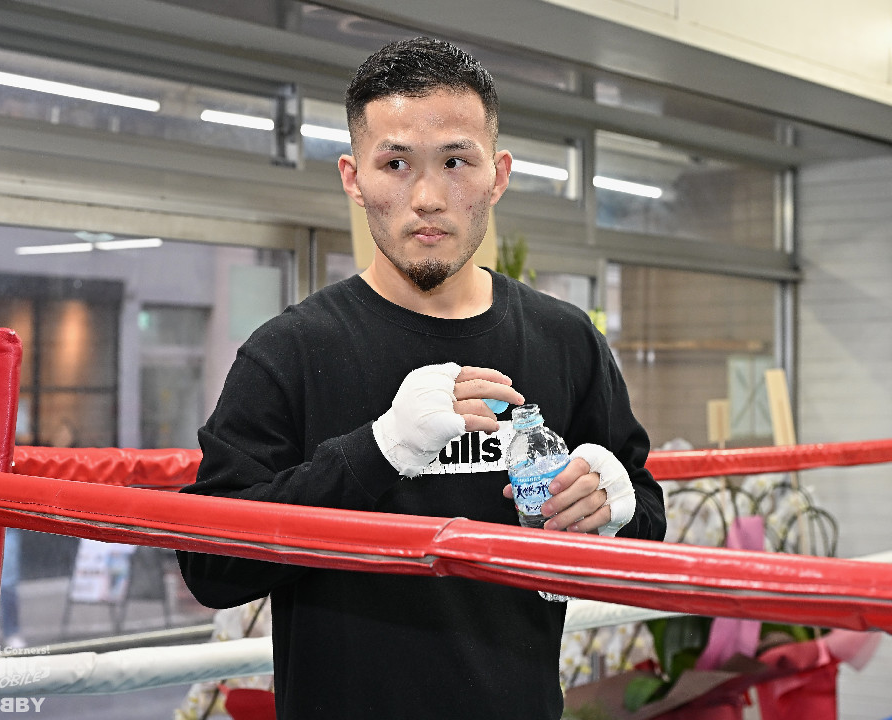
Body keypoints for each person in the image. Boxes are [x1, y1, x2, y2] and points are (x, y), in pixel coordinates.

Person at [177, 36, 666, 720]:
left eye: (456, 162)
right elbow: (211, 569)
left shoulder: (565, 340)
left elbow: (645, 521)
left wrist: (614, 510)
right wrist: (376, 451)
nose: (429, 197)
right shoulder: (288, 350)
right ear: (354, 178)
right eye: (396, 163)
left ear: (498, 175)